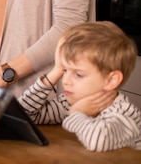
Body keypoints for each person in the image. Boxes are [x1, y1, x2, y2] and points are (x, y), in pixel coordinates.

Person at [18, 21, 141, 152]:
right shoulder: (69, 103)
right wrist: (55, 72)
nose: (66, 81)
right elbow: (24, 115)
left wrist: (76, 113)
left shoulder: (124, 113)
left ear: (111, 80)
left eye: (78, 74)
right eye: (65, 70)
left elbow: (97, 142)